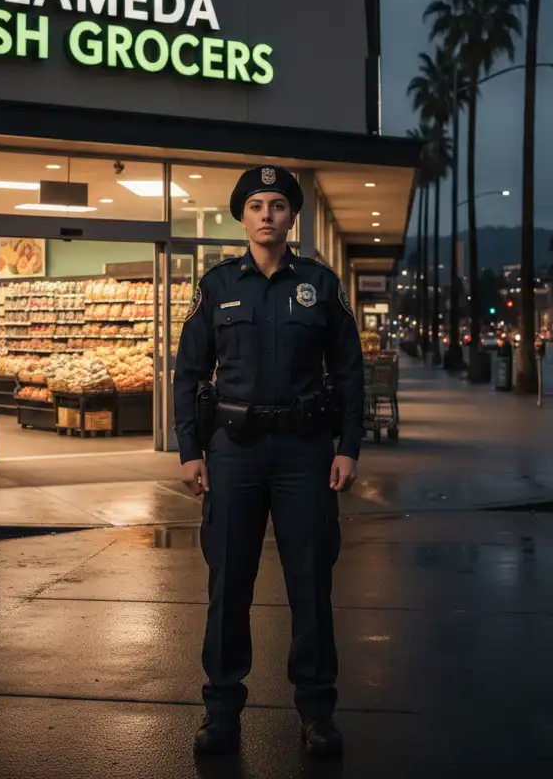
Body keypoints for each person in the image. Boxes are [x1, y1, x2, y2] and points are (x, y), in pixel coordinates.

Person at [173, 164, 364, 758]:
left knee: (310, 583)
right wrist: (189, 450)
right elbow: (188, 371)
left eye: (277, 205)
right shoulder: (218, 284)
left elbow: (350, 372)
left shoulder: (321, 285)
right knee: (229, 582)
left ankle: (316, 712)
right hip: (234, 452)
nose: (266, 215)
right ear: (242, 216)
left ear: (291, 217)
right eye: (256, 205)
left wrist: (349, 446)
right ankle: (221, 711)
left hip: (305, 452)